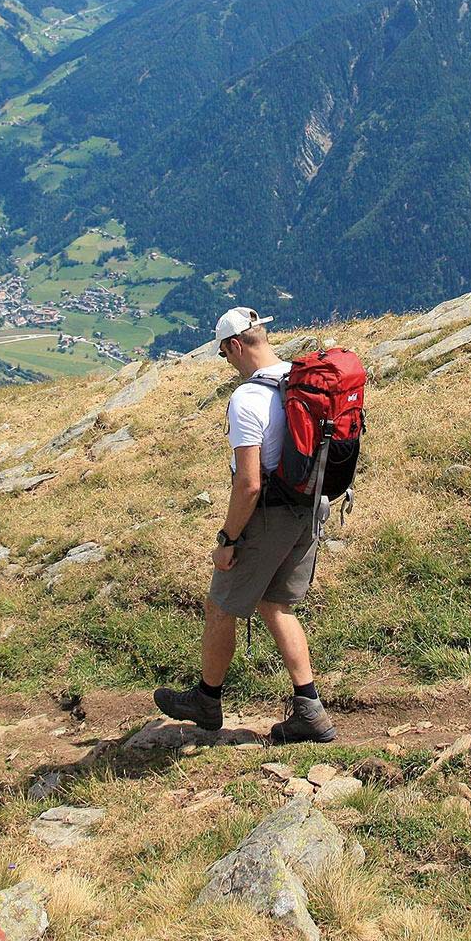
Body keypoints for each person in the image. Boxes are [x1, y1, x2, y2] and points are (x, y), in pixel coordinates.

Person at [153, 307, 337, 743]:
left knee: (221, 604)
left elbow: (250, 484)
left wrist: (228, 539)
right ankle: (309, 711)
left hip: (270, 515)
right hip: (311, 508)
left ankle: (206, 699)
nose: (227, 362)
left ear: (236, 345)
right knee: (275, 604)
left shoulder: (246, 399)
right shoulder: (303, 378)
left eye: (223, 354)